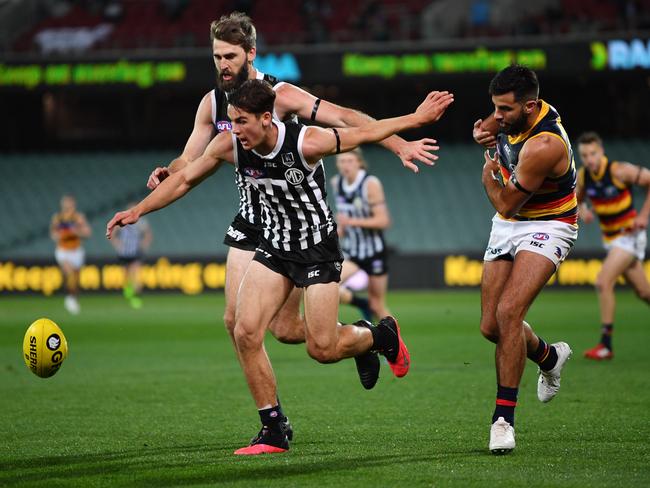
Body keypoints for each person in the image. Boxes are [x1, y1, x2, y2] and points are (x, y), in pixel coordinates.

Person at [107, 80, 454, 455]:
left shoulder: (307, 142)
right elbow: (185, 179)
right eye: (231, 122)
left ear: (267, 119)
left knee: (321, 348)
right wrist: (137, 210)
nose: (234, 130)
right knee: (244, 330)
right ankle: (273, 428)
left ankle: (380, 337)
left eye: (241, 122)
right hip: (273, 247)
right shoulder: (229, 146)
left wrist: (414, 121)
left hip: (317, 250)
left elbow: (363, 131)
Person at [146, 12, 439, 395]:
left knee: (288, 331)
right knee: (238, 322)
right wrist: (168, 171)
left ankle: (367, 337)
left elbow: (345, 118)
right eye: (217, 57)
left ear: (250, 53)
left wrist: (398, 143)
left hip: (297, 223)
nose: (223, 65)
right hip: (252, 220)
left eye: (230, 56)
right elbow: (188, 159)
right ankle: (270, 416)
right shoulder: (212, 104)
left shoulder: (280, 95)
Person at [475, 65, 575, 455]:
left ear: (530, 107)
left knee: (510, 312)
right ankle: (549, 356)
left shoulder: (545, 145)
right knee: (490, 326)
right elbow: (489, 127)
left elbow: (505, 202)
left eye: (504, 110)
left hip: (549, 223)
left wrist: (488, 177)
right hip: (509, 225)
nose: (497, 116)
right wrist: (485, 129)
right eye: (494, 107)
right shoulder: (512, 114)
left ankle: (503, 421)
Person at [576, 132, 650, 360]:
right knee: (643, 292)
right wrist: (584, 211)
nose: (589, 159)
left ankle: (606, 344)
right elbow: (577, 201)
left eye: (593, 153)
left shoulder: (618, 170)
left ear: (602, 151)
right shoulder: (583, 176)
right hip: (611, 240)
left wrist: (644, 217)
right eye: (585, 155)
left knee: (603, 281)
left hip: (630, 236)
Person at [332, 148, 391, 321]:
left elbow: (383, 221)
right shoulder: (337, 183)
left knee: (377, 305)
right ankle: (360, 303)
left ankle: (398, 346)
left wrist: (351, 222)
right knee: (329, 286)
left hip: (374, 253)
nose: (345, 165)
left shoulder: (370, 183)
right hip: (352, 252)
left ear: (359, 162)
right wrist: (341, 229)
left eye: (350, 161)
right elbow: (344, 219)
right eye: (342, 161)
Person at [50, 194, 91, 314]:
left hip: (76, 251)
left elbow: (87, 233)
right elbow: (53, 233)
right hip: (63, 250)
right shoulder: (57, 218)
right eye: (65, 203)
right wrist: (57, 235)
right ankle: (69, 298)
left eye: (70, 203)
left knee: (75, 279)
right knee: (69, 272)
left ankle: (73, 297)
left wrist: (76, 232)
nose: (68, 205)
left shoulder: (78, 218)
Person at [110, 209, 153, 309]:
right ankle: (129, 292)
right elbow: (113, 233)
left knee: (136, 275)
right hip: (124, 253)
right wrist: (117, 244)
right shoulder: (122, 221)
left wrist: (144, 245)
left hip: (135, 252)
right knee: (126, 276)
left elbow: (148, 234)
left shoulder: (141, 222)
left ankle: (136, 297)